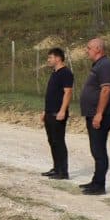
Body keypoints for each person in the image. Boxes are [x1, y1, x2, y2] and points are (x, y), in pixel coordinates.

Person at [79, 38, 110, 195]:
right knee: (95, 149)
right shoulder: (98, 65)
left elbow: (106, 90)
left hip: (100, 114)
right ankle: (95, 181)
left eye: (89, 48)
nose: (86, 51)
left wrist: (99, 113)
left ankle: (99, 185)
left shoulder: (106, 65)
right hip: (93, 113)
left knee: (99, 150)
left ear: (98, 49)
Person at [40, 47, 74, 179]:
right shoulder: (54, 73)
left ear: (58, 58)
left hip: (58, 113)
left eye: (50, 57)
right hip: (49, 112)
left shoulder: (65, 73)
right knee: (52, 141)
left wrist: (62, 110)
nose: (48, 60)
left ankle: (63, 172)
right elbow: (51, 94)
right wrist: (45, 111)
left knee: (59, 141)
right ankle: (56, 168)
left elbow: (68, 92)